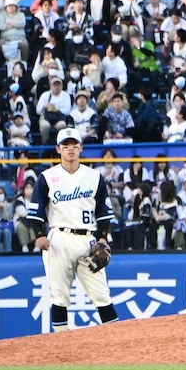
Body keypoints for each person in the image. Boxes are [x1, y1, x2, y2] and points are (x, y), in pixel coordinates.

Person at [24, 128, 118, 332]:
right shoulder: (47, 177)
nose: (70, 149)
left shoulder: (94, 177)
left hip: (88, 240)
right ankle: (61, 346)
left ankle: (117, 342)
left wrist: (103, 237)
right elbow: (36, 211)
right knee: (59, 296)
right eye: (65, 146)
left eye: (74, 145)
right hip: (59, 239)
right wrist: (39, 235)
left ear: (81, 148)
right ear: (58, 149)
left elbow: (103, 210)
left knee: (102, 294)